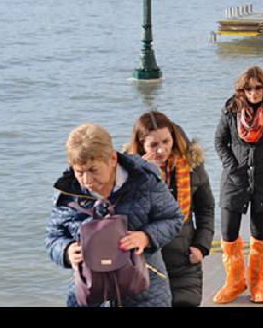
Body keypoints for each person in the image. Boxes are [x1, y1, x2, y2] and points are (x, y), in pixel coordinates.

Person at [46, 123, 183, 307]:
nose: (86, 181)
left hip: (145, 292)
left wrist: (146, 237)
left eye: (93, 170)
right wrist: (66, 251)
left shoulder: (145, 180)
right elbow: (53, 237)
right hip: (89, 294)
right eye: (79, 172)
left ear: (112, 159)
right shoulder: (67, 193)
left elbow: (173, 219)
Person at [213, 66, 263, 304]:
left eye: (258, 87)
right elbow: (220, 142)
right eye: (249, 88)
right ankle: (234, 282)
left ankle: (258, 284)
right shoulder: (231, 109)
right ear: (242, 90)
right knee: (229, 233)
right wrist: (232, 167)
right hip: (234, 179)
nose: (254, 92)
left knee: (259, 233)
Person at [126, 112, 215, 307]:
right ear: (141, 146)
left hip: (184, 259)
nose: (161, 150)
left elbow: (206, 208)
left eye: (166, 141)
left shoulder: (191, 165)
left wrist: (201, 245)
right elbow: (125, 217)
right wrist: (142, 176)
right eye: (153, 145)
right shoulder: (126, 173)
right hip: (146, 262)